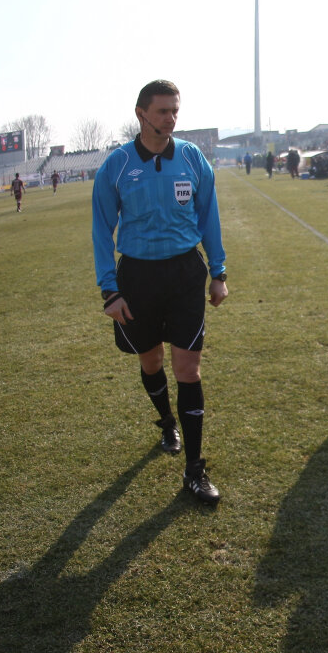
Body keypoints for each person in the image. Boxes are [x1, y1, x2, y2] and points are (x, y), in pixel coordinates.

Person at [92, 79, 228, 504]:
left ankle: (194, 469)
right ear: (141, 114)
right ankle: (167, 421)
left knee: (188, 369)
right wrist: (110, 291)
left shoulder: (191, 157)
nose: (171, 118)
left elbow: (209, 216)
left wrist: (219, 272)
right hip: (137, 278)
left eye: (175, 110)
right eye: (163, 111)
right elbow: (101, 230)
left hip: (185, 273)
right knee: (150, 361)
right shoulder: (116, 166)